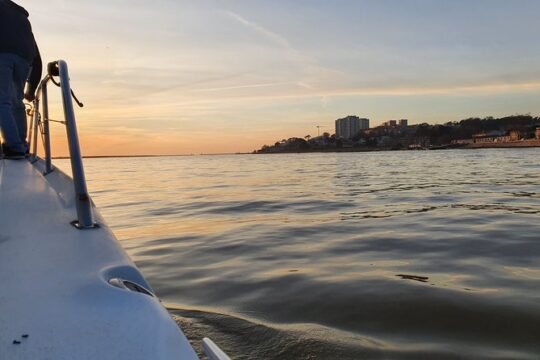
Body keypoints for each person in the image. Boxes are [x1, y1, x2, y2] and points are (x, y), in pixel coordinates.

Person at [0, 0, 42, 159]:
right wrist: (31, 89)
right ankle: (21, 145)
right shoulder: (22, 19)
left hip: (2, 54)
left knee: (2, 101)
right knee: (16, 101)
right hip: (25, 59)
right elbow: (37, 58)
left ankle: (13, 146)